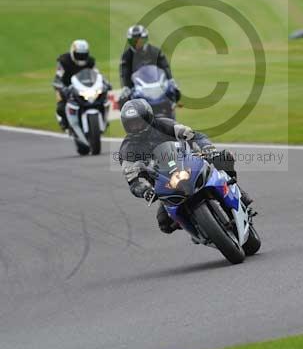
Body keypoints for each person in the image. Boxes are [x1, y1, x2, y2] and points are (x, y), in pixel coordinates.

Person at [118, 98, 252, 234]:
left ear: (148, 117)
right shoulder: (127, 149)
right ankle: (199, 229)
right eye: (131, 124)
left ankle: (240, 195)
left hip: (189, 164)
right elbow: (133, 181)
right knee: (164, 224)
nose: (136, 127)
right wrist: (145, 190)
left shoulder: (164, 125)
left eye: (139, 122)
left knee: (223, 158)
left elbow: (195, 135)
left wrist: (207, 149)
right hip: (166, 185)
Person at [119, 25, 180, 107]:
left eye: (140, 40)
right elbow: (124, 73)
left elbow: (165, 66)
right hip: (138, 89)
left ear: (145, 39)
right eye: (134, 41)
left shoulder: (155, 51)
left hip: (157, 85)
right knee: (124, 102)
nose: (137, 43)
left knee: (173, 93)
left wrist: (171, 80)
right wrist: (126, 87)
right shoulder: (126, 56)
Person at [53, 39, 96, 129]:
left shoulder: (90, 62)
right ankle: (63, 121)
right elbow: (57, 78)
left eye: (84, 55)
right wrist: (61, 88)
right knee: (61, 108)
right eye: (79, 55)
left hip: (86, 87)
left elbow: (96, 75)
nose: (81, 57)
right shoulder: (64, 61)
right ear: (73, 52)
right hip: (68, 87)